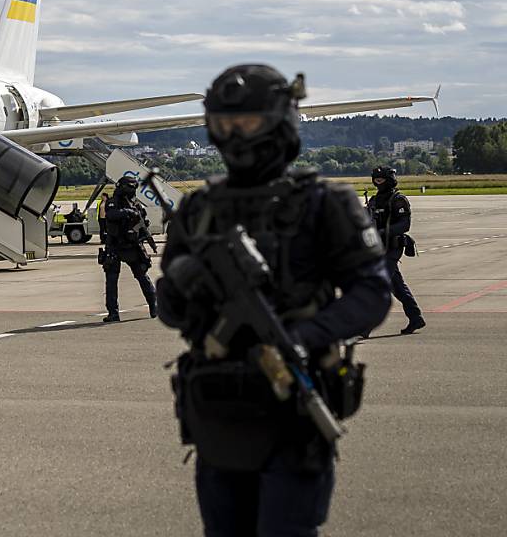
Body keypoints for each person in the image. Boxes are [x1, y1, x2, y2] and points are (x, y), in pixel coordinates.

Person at [156, 64, 391, 536]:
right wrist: (190, 281)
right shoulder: (198, 210)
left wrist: (305, 337)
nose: (235, 137)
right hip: (218, 413)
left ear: (279, 122)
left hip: (292, 411)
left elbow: (372, 293)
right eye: (224, 126)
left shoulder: (326, 205)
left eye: (247, 124)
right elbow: (169, 308)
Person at [367, 166, 425, 334]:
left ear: (389, 179)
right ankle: (415, 317)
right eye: (376, 180)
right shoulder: (374, 200)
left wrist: (384, 232)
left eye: (381, 179)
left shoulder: (398, 199)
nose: (378, 183)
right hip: (378, 248)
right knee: (397, 286)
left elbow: (404, 224)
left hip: (393, 248)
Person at [101, 175, 157, 322]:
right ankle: (113, 313)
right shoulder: (113, 203)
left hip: (131, 246)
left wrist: (147, 238)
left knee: (142, 276)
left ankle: (154, 306)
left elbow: (143, 224)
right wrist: (128, 212)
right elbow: (111, 215)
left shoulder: (136, 205)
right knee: (111, 280)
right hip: (114, 246)